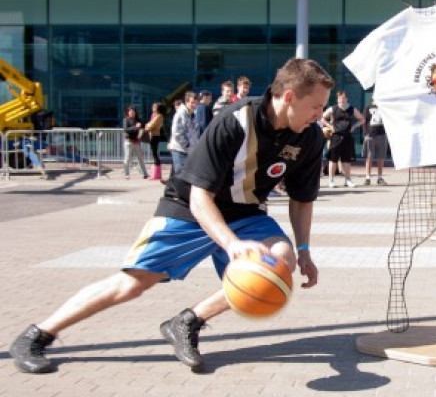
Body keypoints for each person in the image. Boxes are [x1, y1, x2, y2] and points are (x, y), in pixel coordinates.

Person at [9, 58, 334, 374]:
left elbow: (302, 200)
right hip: (189, 207)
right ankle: (37, 335)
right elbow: (199, 196)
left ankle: (187, 322)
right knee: (132, 285)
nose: (320, 115)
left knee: (281, 260)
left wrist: (304, 251)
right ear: (289, 97)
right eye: (316, 106)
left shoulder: (310, 137)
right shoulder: (235, 120)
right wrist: (231, 244)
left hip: (246, 211)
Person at [321, 90, 364, 188]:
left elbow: (362, 119)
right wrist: (330, 126)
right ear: (337, 99)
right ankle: (331, 180)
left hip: (347, 137)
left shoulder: (351, 109)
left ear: (347, 99)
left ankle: (348, 180)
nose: (342, 100)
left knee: (346, 160)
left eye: (344, 98)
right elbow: (321, 117)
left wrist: (354, 126)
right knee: (333, 159)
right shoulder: (333, 109)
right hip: (336, 136)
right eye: (340, 98)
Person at [167, 91, 200, 179]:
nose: (194, 105)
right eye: (192, 102)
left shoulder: (192, 115)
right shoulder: (181, 114)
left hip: (188, 151)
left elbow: (194, 133)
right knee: (181, 176)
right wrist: (187, 145)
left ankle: (171, 191)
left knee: (177, 177)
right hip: (180, 149)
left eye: (196, 103)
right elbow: (177, 132)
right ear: (186, 102)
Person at [362, 100, 388, 186]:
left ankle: (379, 177)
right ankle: (367, 177)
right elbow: (364, 121)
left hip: (382, 134)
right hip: (371, 135)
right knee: (369, 156)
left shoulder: (384, 107)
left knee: (381, 157)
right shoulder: (368, 107)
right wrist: (366, 134)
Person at [122, 105, 149, 180]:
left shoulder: (138, 120)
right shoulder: (126, 120)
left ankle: (145, 174)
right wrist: (136, 127)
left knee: (141, 158)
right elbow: (126, 129)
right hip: (129, 142)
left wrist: (144, 128)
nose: (132, 112)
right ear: (128, 112)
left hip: (137, 142)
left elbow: (144, 127)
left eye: (133, 111)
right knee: (127, 158)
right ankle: (126, 174)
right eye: (130, 111)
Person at [144, 102, 167, 181]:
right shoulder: (153, 115)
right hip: (152, 135)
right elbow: (150, 124)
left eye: (155, 106)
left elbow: (151, 125)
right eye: (153, 106)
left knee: (155, 155)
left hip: (155, 136)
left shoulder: (159, 116)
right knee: (154, 154)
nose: (153, 107)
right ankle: (155, 173)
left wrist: (147, 126)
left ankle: (157, 174)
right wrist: (148, 126)